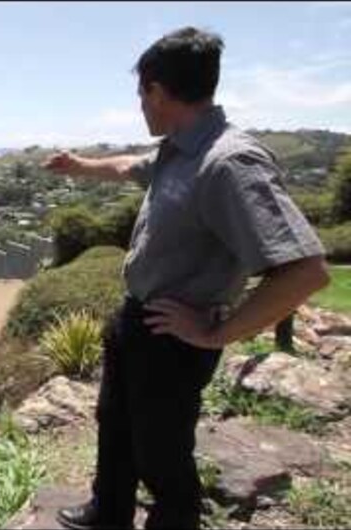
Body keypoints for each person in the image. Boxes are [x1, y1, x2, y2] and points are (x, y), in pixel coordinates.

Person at [41, 26, 330, 530]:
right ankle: (109, 511)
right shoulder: (180, 148)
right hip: (139, 316)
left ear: (157, 91)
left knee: (162, 452)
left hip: (176, 339)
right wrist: (80, 166)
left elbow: (305, 270)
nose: (140, 107)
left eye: (141, 95)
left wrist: (216, 332)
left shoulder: (229, 162)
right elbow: (131, 166)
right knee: (116, 424)